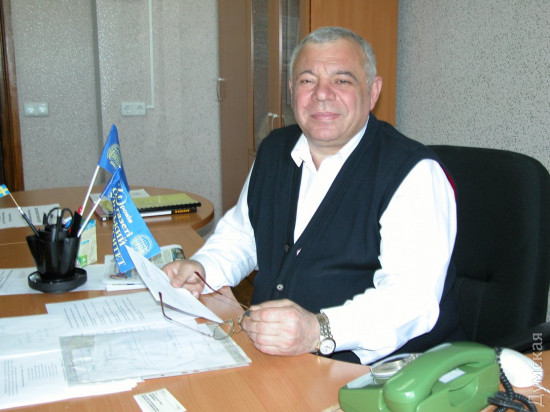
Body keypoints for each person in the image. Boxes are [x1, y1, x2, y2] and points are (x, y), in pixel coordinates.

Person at [163, 26, 463, 365]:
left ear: (373, 91)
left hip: (374, 374)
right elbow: (244, 236)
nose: (322, 94)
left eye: (342, 80)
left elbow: (410, 300)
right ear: (292, 91)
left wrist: (318, 330)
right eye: (308, 80)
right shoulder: (275, 149)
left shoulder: (413, 173)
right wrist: (203, 269)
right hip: (274, 356)